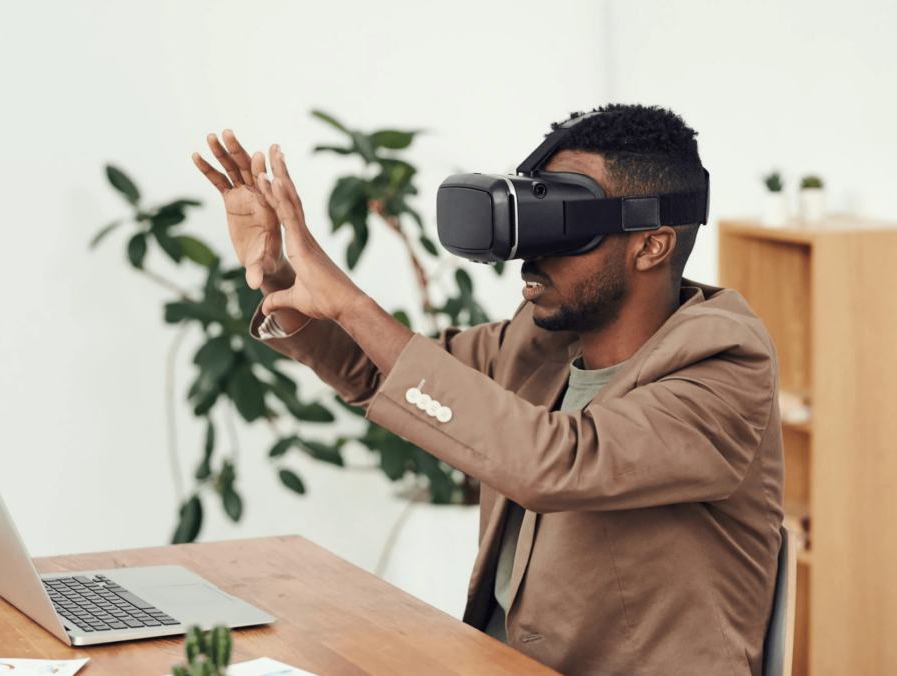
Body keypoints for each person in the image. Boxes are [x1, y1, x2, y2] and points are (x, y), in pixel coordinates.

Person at [191, 104, 785, 676]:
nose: (531, 253)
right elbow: (388, 376)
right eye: (536, 213)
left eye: (566, 226)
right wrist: (283, 277)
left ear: (650, 245)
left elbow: (558, 461)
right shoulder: (542, 342)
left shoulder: (723, 365)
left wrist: (351, 301)